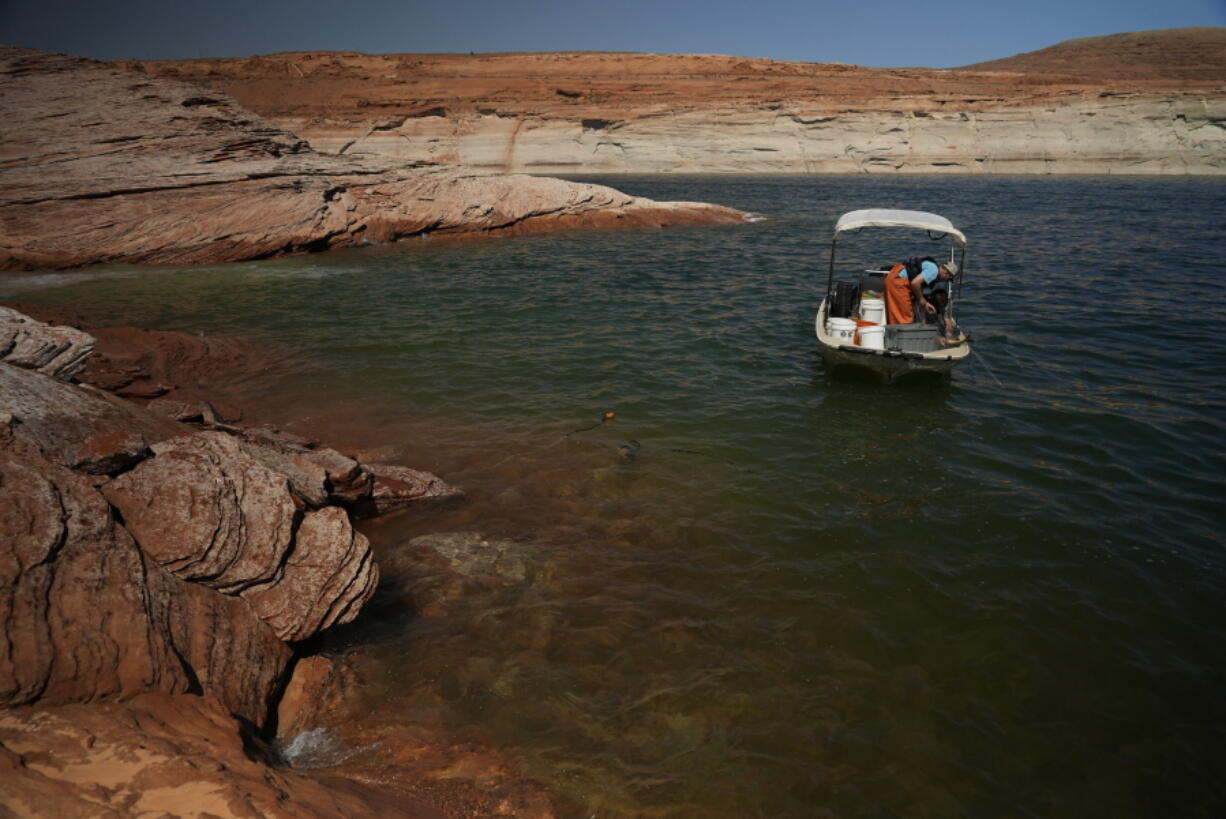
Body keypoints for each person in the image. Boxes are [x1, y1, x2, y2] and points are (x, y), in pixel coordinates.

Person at [883, 256, 959, 325]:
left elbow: (916, 287)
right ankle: (902, 337)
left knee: (896, 313)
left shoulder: (932, 266)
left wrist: (923, 304)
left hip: (894, 277)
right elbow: (915, 283)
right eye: (948, 279)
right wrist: (922, 300)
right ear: (946, 273)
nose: (945, 280)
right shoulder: (934, 271)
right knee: (905, 318)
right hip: (898, 284)